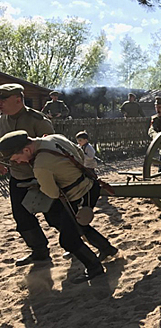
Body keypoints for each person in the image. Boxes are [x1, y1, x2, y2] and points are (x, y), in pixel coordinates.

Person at [0, 130, 118, 283]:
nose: (18, 162)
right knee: (60, 220)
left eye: (17, 158)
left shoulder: (40, 166)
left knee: (67, 240)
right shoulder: (54, 138)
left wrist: (42, 183)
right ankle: (107, 249)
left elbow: (53, 193)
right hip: (90, 186)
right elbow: (79, 155)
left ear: (27, 150)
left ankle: (94, 268)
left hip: (77, 196)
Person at [0, 83, 56, 266]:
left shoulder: (37, 120)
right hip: (18, 177)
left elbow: (51, 148)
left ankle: (76, 244)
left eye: (3, 100)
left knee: (55, 217)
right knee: (22, 218)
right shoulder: (2, 120)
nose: (0, 103)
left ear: (18, 99)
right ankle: (39, 251)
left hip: (41, 176)